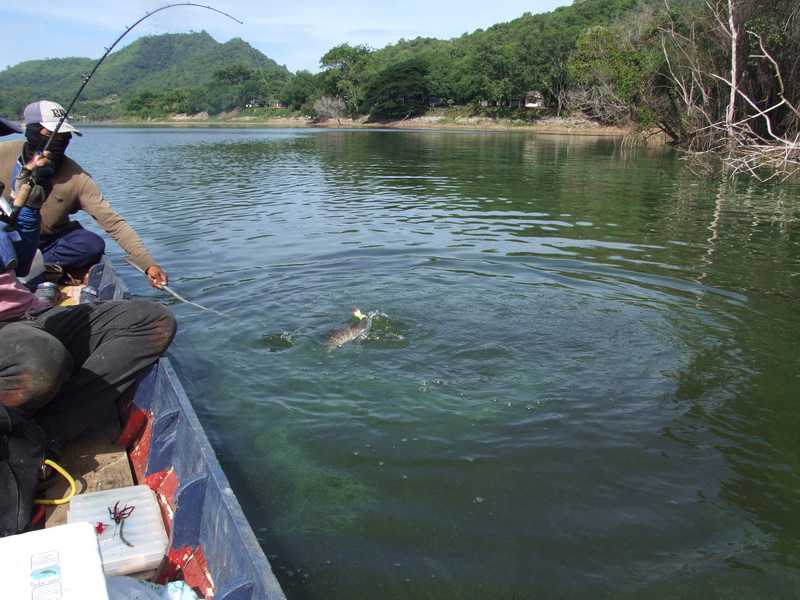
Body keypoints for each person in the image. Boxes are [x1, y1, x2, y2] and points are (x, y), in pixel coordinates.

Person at [0, 115, 177, 443]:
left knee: (154, 320)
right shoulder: (6, 159)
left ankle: (45, 432)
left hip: (27, 309)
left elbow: (20, 262)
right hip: (12, 330)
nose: (56, 148)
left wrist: (27, 207)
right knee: (41, 360)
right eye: (50, 139)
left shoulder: (68, 176)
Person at [0, 100, 169, 289]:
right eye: (51, 135)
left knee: (91, 244)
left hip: (49, 242)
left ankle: (44, 266)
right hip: (7, 235)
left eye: (65, 136)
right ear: (31, 130)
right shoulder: (3, 153)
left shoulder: (78, 177)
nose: (60, 142)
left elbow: (114, 223)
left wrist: (148, 264)